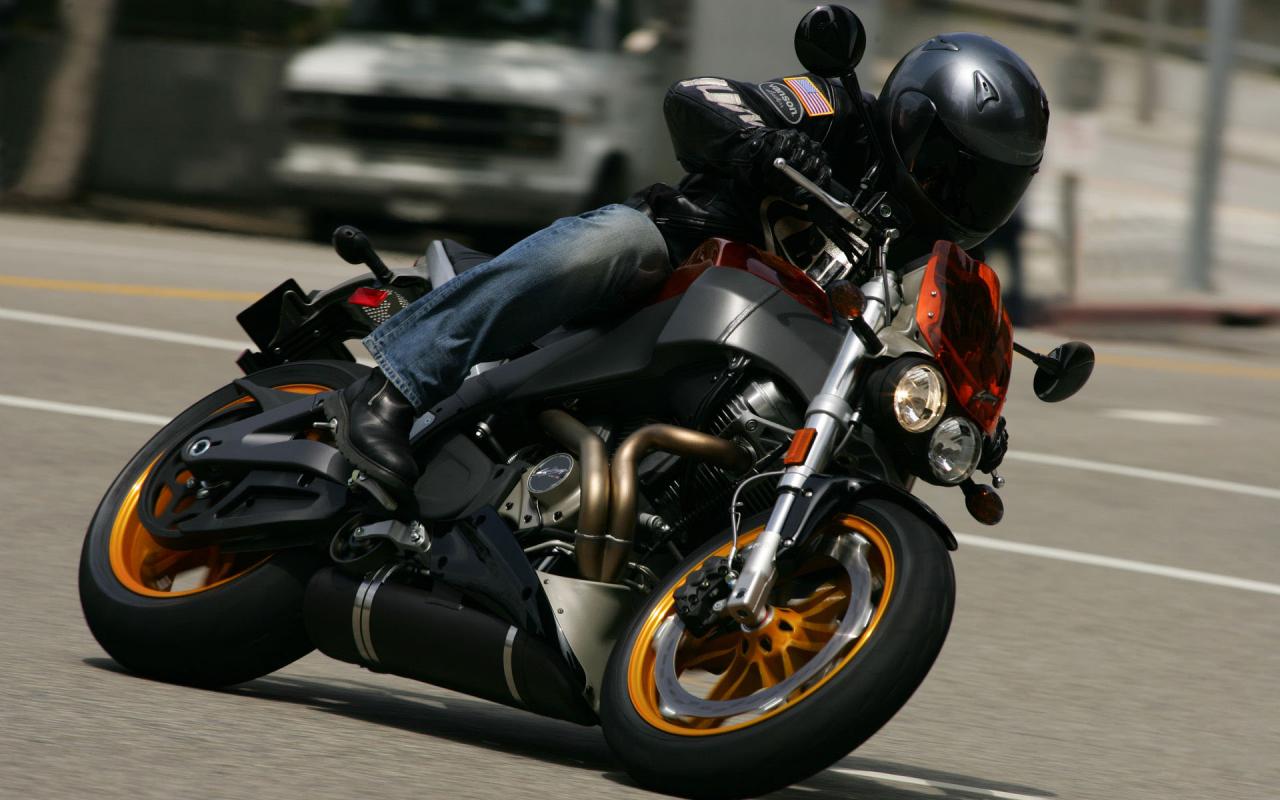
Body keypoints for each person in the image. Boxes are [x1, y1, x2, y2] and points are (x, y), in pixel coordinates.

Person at [327, 32, 1050, 502]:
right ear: (915, 123)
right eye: (956, 169)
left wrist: (972, 408)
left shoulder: (937, 253)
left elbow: (936, 336)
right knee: (615, 240)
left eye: (990, 185)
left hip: (762, 352)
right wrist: (763, 143)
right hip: (675, 271)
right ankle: (393, 390)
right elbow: (701, 97)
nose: (965, 196)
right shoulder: (839, 111)